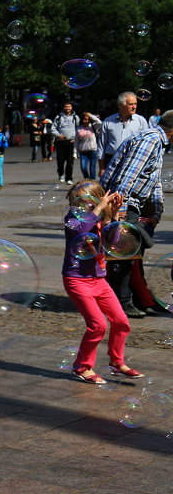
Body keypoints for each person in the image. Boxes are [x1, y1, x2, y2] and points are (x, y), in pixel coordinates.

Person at [63, 182, 141, 383]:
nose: (82, 207)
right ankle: (82, 367)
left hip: (99, 280)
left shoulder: (99, 219)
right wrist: (98, 209)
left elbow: (113, 242)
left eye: (88, 202)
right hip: (77, 280)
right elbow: (80, 229)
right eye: (79, 202)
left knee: (121, 321)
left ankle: (116, 361)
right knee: (98, 325)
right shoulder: (72, 219)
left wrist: (113, 216)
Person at [99, 111, 173, 318]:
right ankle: (120, 302)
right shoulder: (150, 139)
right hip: (124, 203)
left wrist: (157, 211)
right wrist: (119, 210)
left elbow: (154, 179)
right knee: (123, 257)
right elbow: (128, 174)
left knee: (134, 255)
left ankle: (140, 299)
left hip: (134, 204)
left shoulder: (156, 141)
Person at [98, 92, 146, 170]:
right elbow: (101, 146)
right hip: (111, 162)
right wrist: (102, 168)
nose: (134, 107)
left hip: (133, 162)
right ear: (121, 105)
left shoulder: (141, 121)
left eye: (135, 104)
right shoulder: (108, 122)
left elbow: (146, 144)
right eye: (131, 104)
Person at [53, 102, 78, 185]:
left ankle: (69, 178)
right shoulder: (59, 117)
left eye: (69, 106)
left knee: (70, 161)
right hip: (60, 141)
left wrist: (75, 138)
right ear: (63, 107)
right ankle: (61, 173)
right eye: (66, 106)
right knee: (60, 160)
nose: (68, 108)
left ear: (72, 107)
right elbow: (53, 128)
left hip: (71, 141)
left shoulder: (75, 117)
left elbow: (78, 128)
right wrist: (59, 135)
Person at [75, 112, 102, 179]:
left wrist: (90, 115)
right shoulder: (79, 129)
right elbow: (76, 141)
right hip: (83, 152)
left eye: (87, 119)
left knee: (92, 169)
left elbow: (99, 122)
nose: (86, 121)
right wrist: (74, 152)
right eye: (84, 119)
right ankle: (87, 179)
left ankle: (92, 183)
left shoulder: (93, 127)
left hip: (93, 151)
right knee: (83, 168)